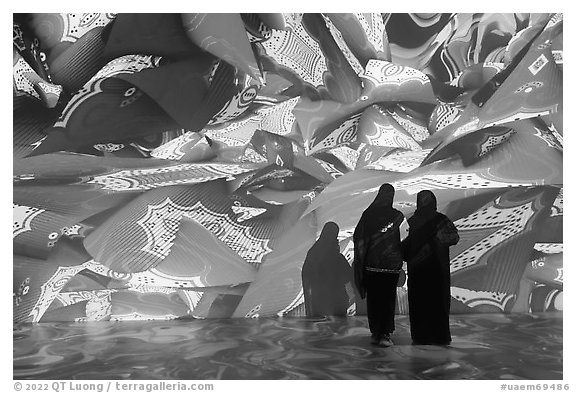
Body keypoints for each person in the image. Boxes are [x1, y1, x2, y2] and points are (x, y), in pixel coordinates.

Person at [402, 190, 459, 346]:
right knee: (438, 303)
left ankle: (421, 336)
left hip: (418, 271)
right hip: (438, 271)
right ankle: (440, 336)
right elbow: (454, 238)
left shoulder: (411, 222)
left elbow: (404, 248)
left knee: (419, 304)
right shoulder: (442, 220)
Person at [353, 183, 405, 347]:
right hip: (390, 266)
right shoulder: (397, 215)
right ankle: (385, 333)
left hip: (372, 265)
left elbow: (359, 238)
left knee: (374, 300)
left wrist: (361, 260)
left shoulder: (368, 214)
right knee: (388, 300)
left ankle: (376, 332)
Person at [302, 221, 353, 317]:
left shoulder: (313, 253)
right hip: (337, 303)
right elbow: (347, 276)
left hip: (318, 303)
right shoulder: (336, 256)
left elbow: (307, 277)